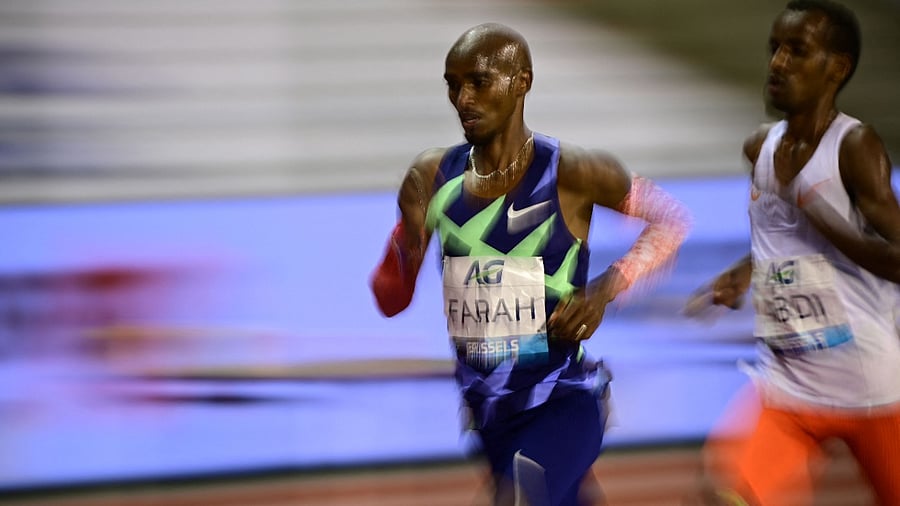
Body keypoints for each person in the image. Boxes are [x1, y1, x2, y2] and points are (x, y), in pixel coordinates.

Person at [369, 22, 691, 506]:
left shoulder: (574, 172)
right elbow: (391, 299)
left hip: (563, 401)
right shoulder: (431, 178)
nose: (463, 99)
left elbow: (669, 221)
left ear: (522, 81)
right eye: (453, 85)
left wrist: (605, 288)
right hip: (488, 415)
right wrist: (404, 243)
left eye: (478, 81)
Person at [684, 1, 900, 504]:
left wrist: (817, 209)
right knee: (727, 496)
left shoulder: (854, 147)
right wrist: (744, 272)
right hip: (788, 387)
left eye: (797, 51)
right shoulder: (759, 148)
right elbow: (783, 241)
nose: (778, 63)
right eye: (775, 49)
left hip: (873, 390)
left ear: (836, 68)